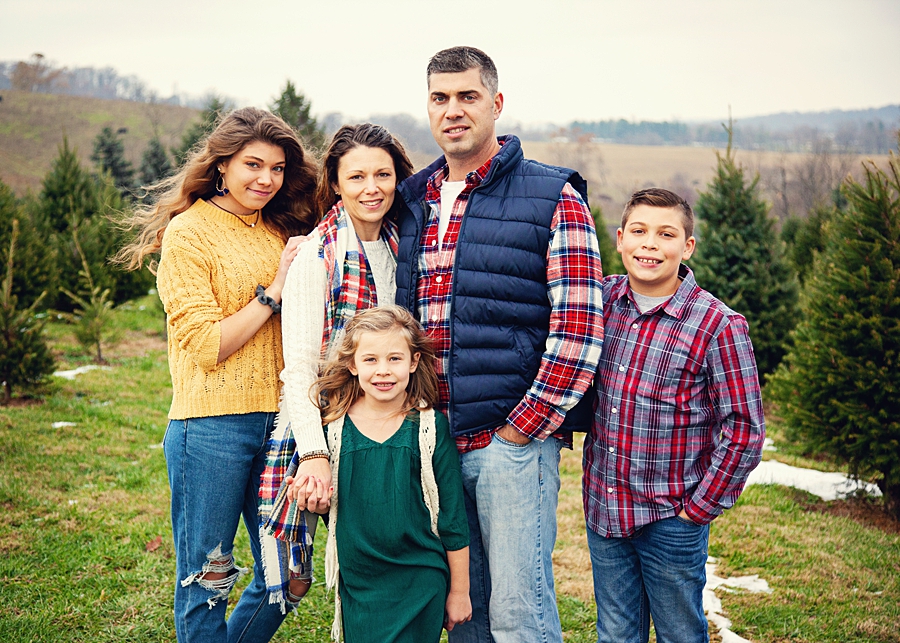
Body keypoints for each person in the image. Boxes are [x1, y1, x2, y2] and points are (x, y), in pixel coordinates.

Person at [393, 46, 604, 643]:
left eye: (467, 97)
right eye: (440, 98)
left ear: (496, 103)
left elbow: (579, 326)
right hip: (432, 441)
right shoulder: (414, 200)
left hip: (508, 444)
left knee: (519, 612)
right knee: (466, 612)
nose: (453, 111)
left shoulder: (551, 196)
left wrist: (523, 428)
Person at [117, 106, 318, 643]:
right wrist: (274, 292)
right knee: (209, 578)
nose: (266, 179)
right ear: (222, 164)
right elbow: (207, 345)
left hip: (283, 427)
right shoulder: (189, 234)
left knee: (291, 575)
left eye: (277, 169)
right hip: (209, 428)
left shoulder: (282, 227)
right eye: (253, 165)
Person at [582, 188, 765, 643]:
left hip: (670, 518)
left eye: (666, 234)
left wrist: (696, 511)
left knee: (679, 633)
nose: (650, 244)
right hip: (605, 509)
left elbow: (743, 429)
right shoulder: (601, 302)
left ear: (687, 247)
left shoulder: (717, 325)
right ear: (620, 239)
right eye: (639, 232)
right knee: (615, 632)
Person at [257, 124, 415, 612]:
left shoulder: (401, 245)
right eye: (357, 177)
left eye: (383, 175)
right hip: (329, 428)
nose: (372, 188)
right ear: (336, 182)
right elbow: (300, 368)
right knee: (281, 587)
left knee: (381, 563)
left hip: (388, 426)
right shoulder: (315, 255)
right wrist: (313, 455)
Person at [291, 305, 471, 642]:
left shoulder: (429, 428)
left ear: (414, 362)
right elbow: (328, 505)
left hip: (419, 580)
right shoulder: (333, 430)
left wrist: (459, 592)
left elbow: (453, 520)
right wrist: (312, 499)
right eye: (371, 360)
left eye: (395, 359)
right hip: (361, 583)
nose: (383, 371)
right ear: (352, 364)